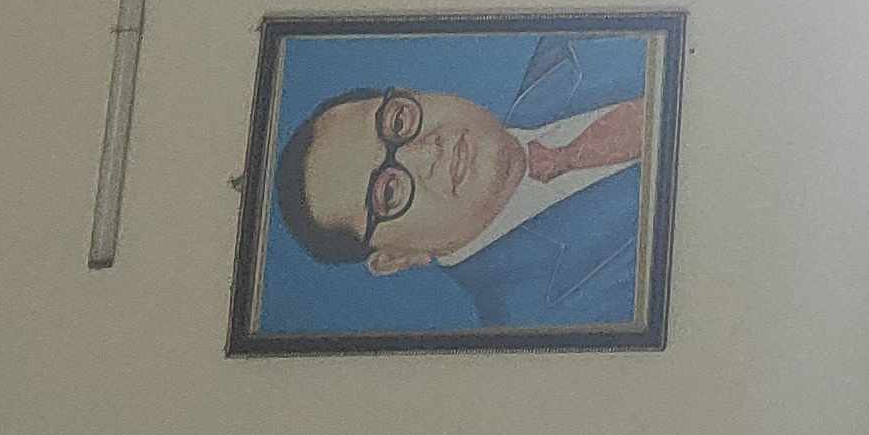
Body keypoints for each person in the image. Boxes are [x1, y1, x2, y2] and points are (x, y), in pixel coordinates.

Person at [269, 37, 658, 329]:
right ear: (397, 258)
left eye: (398, 123)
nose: (427, 151)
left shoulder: (573, 44)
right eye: (389, 192)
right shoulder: (550, 324)